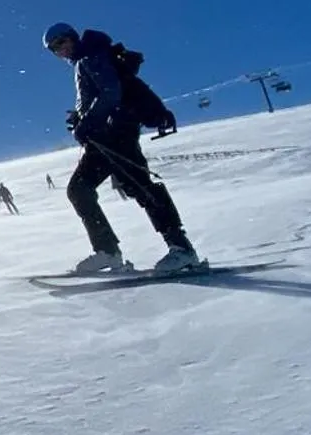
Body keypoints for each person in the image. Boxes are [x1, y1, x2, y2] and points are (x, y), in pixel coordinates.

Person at [43, 22, 199, 275]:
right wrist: (80, 118)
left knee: (134, 188)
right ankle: (111, 252)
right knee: (94, 189)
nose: (58, 50)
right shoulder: (87, 59)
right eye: (53, 49)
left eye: (61, 43)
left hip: (116, 133)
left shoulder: (91, 57)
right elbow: (101, 96)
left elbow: (110, 93)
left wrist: (87, 123)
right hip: (108, 134)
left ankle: (179, 250)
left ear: (71, 38)